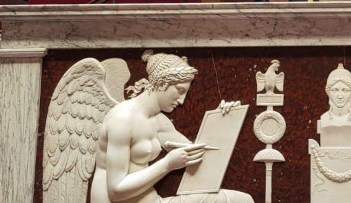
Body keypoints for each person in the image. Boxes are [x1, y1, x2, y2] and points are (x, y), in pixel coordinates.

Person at [91, 50, 253, 202]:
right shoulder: (122, 119)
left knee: (240, 200)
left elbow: (197, 154)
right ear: (162, 82)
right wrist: (168, 164)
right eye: (180, 90)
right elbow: (116, 191)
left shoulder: (158, 121)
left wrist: (222, 118)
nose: (181, 101)